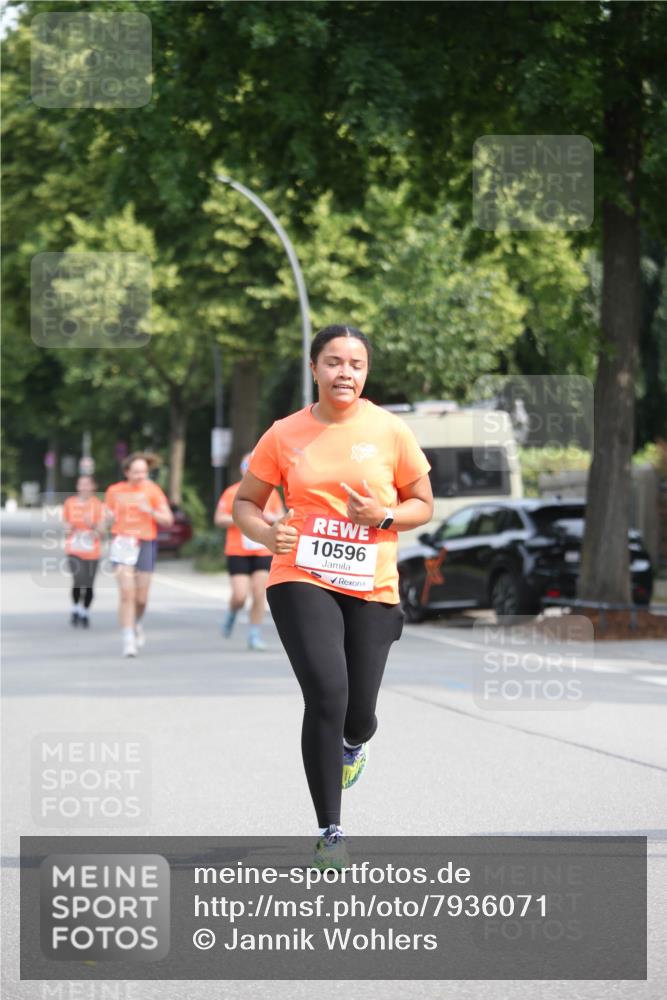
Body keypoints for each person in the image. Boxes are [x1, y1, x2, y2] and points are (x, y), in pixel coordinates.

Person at [233, 325, 433, 868]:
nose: (345, 372)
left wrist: (384, 515)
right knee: (327, 693)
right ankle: (330, 832)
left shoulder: (390, 430)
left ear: (366, 373)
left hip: (373, 583)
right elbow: (246, 503)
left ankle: (353, 743)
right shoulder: (284, 433)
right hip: (301, 573)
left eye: (356, 364)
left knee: (358, 714)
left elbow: (422, 504)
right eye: (334, 362)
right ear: (314, 369)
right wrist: (266, 533)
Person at [104, 452, 174, 658]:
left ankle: (136, 623)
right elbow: (103, 523)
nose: (141, 476)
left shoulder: (153, 491)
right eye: (136, 472)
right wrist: (107, 518)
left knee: (141, 598)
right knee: (127, 594)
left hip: (145, 543)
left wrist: (150, 510)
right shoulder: (114, 491)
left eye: (144, 472)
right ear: (127, 472)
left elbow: (168, 519)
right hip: (122, 542)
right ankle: (128, 639)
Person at [214, 454, 285, 651]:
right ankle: (232, 612)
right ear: (242, 470)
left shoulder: (271, 493)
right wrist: (242, 518)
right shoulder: (232, 492)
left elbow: (281, 515)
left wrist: (270, 517)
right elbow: (219, 519)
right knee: (240, 595)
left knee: (259, 593)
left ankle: (254, 634)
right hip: (237, 550)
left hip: (262, 549)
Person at [62, 475, 105, 628]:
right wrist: (69, 528)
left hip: (92, 552)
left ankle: (84, 612)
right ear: (77, 487)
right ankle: (75, 608)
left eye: (87, 484)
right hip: (74, 550)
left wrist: (92, 525)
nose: (84, 487)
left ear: (93, 487)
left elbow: (103, 533)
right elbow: (65, 527)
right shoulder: (70, 503)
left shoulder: (98, 505)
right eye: (81, 484)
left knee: (89, 585)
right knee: (78, 580)